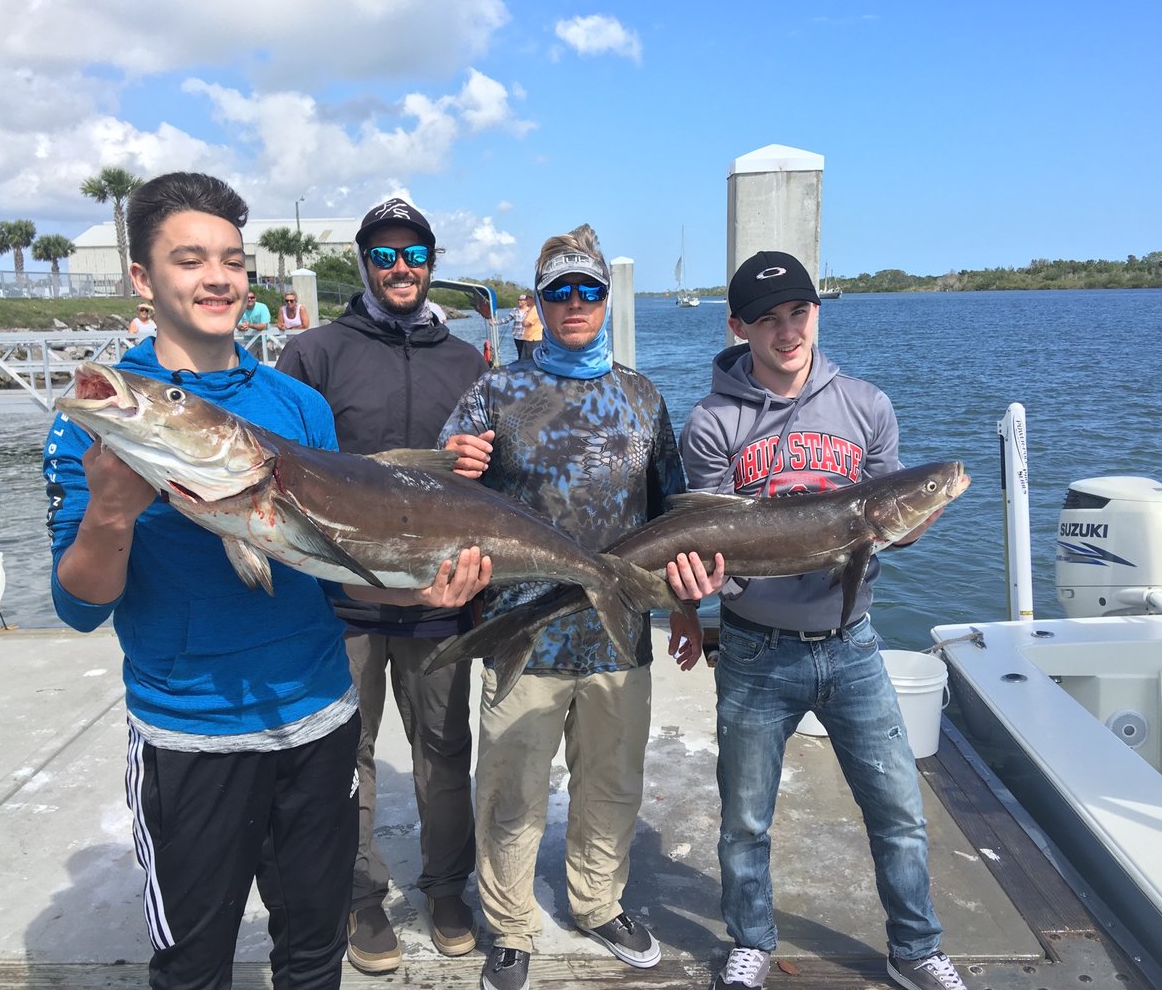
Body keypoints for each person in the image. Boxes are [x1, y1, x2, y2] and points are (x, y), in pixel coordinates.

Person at [43, 171, 491, 990]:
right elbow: (77, 606)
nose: (216, 277)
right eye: (189, 259)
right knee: (195, 966)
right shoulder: (104, 416)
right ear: (143, 279)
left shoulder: (296, 406)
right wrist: (109, 513)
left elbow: (326, 578)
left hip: (319, 722)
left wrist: (416, 591)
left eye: (231, 260)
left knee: (314, 956)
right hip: (191, 737)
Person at [441, 224, 723, 990]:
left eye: (587, 290)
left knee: (610, 780)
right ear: (537, 302)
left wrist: (687, 611)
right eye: (558, 291)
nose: (573, 303)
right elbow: (441, 494)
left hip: (619, 631)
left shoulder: (641, 396)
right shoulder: (493, 392)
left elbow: (673, 518)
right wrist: (454, 466)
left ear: (604, 299)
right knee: (510, 786)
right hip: (519, 634)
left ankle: (597, 902)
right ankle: (508, 924)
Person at [679, 250, 966, 990]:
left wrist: (916, 516)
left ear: (817, 311)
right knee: (745, 821)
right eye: (767, 319)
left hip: (852, 647)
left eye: (798, 312)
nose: (786, 332)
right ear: (738, 326)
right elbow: (707, 530)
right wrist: (695, 588)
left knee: (898, 811)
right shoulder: (712, 422)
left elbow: (893, 514)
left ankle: (915, 949)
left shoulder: (867, 405)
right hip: (751, 650)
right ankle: (750, 941)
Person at [276, 197, 490, 975]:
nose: (400, 267)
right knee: (348, 755)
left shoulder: (466, 361)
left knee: (442, 750)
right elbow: (277, 463)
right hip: (343, 598)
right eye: (384, 254)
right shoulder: (313, 353)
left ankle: (443, 887)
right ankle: (361, 896)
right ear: (364, 263)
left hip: (441, 592)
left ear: (432, 260)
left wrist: (478, 460)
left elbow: (495, 478)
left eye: (414, 253)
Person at [518, 291, 542, 360]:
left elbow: (526, 323)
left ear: (532, 299)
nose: (526, 301)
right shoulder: (531, 309)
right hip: (529, 338)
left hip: (534, 339)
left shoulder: (535, 309)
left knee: (530, 360)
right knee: (525, 360)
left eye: (527, 298)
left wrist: (523, 322)